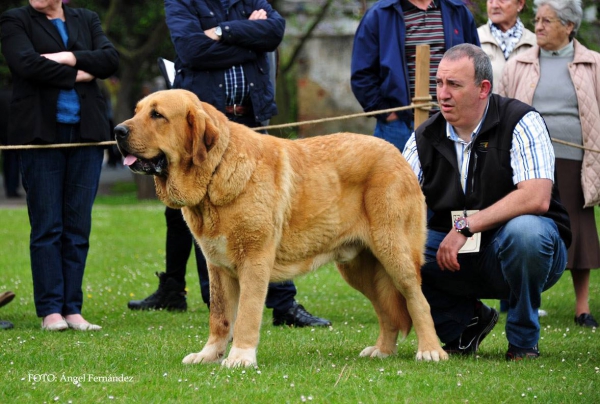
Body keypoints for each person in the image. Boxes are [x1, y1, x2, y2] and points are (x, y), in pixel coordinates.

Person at [136, 0, 331, 328]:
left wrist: (223, 32)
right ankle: (218, 306)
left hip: (250, 121)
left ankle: (284, 303)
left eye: (451, 84)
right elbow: (192, 51)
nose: (444, 93)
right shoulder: (182, 3)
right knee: (207, 214)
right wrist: (251, 45)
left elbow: (274, 32)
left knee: (266, 217)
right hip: (204, 129)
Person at [402, 43, 571, 360]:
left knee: (526, 233)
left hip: (521, 251)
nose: (443, 94)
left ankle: (523, 341)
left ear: (483, 89)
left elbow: (537, 197)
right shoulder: (424, 136)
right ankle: (463, 324)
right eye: (439, 83)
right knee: (392, 248)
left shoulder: (521, 120)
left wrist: (465, 227)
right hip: (453, 254)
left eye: (454, 85)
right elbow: (395, 201)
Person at [0, 0, 119, 331]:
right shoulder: (15, 20)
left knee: (78, 227)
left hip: (87, 134)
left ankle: (73, 309)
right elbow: (25, 65)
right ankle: (51, 310)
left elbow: (110, 60)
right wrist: (84, 69)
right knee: (47, 226)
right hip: (40, 136)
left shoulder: (87, 19)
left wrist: (67, 57)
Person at [499, 0, 600, 328]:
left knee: (579, 230)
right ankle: (527, 301)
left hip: (575, 160)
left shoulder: (593, 64)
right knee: (528, 227)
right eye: (537, 19)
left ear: (569, 26)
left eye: (547, 21)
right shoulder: (518, 64)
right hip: (529, 163)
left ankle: (582, 308)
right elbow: (499, 109)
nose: (538, 26)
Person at [350, 0, 480, 152]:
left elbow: (476, 66)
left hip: (453, 124)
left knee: (459, 175)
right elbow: (361, 75)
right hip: (399, 127)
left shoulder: (457, 10)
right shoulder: (380, 14)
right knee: (398, 176)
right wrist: (388, 113)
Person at [478, 0, 536, 92]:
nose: (494, 5)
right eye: (490, 0)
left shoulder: (535, 43)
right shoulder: (475, 39)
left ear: (520, 4)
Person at [0, 85, 21, 198]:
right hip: (15, 133)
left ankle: (9, 187)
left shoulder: (2, 95)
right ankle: (12, 188)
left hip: (4, 133)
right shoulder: (15, 94)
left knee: (7, 160)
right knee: (14, 161)